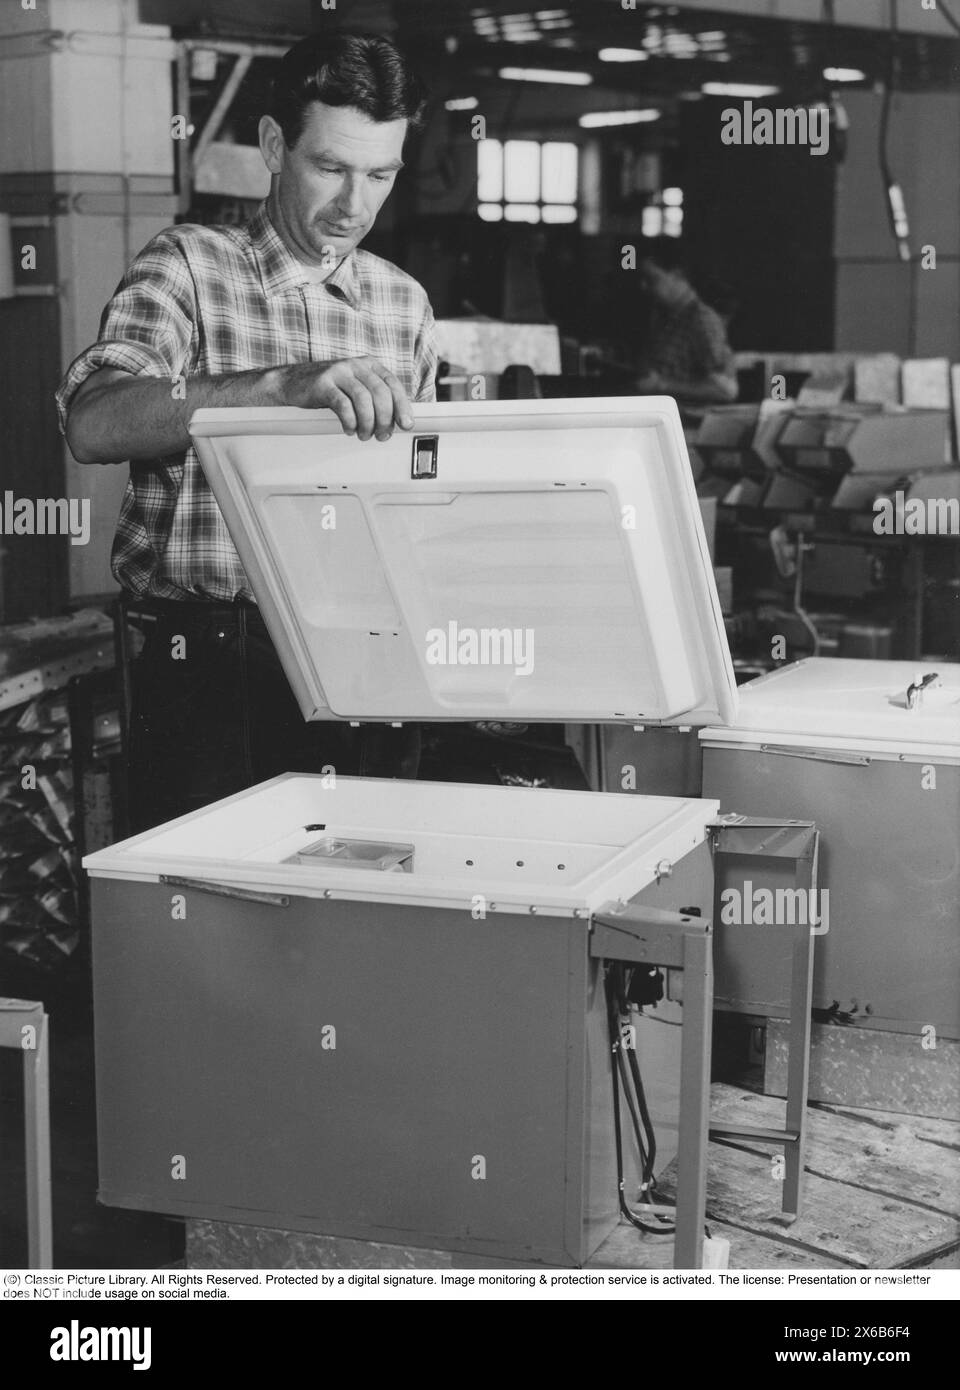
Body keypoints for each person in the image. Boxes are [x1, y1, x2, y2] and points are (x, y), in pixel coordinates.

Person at [56, 32, 437, 832]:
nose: (354, 205)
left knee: (351, 915)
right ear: (273, 145)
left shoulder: (404, 307)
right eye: (330, 168)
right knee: (214, 920)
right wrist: (274, 388)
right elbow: (95, 421)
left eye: (380, 175)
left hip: (359, 656)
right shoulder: (189, 267)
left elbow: (421, 501)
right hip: (208, 662)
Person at [634, 241, 738, 405]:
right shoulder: (664, 316)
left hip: (690, 424)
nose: (644, 286)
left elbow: (725, 390)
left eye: (652, 279)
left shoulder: (702, 320)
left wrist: (662, 385)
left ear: (677, 275)